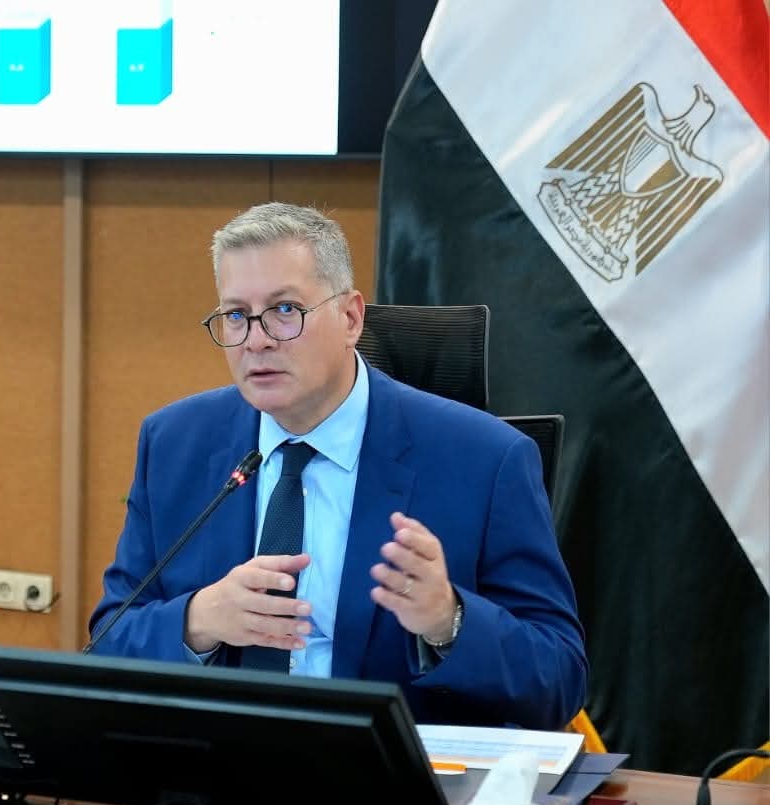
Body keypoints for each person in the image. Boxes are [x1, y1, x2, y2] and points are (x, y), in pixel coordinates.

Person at [87, 203, 586, 730]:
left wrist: (449, 620)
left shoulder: (486, 458)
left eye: (284, 309)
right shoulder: (175, 443)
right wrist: (198, 620)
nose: (256, 339)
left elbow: (559, 680)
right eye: (235, 315)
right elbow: (107, 643)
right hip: (217, 765)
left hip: (387, 771)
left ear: (350, 318)